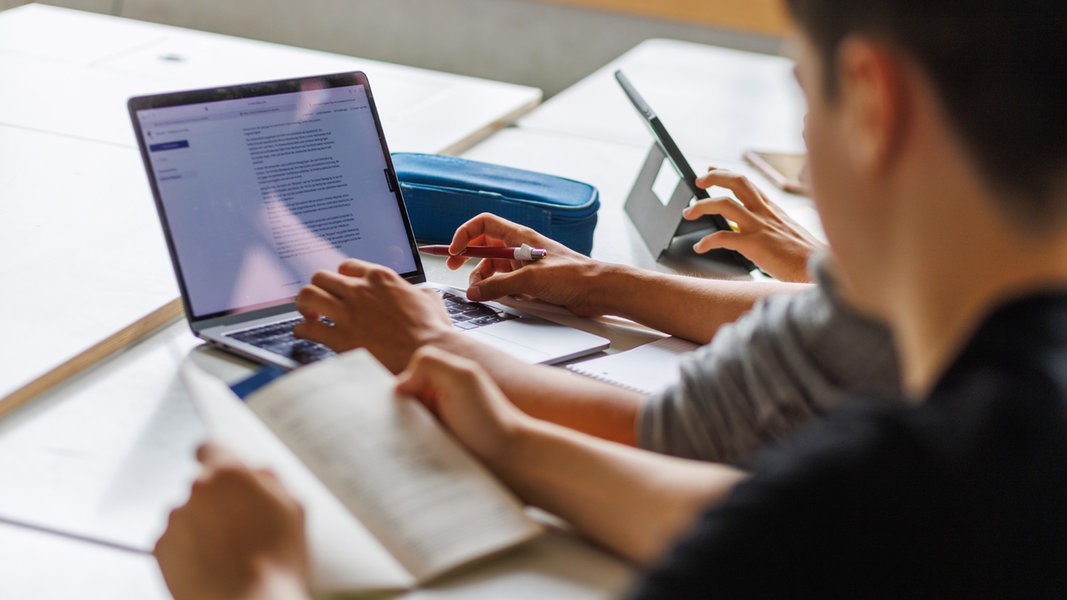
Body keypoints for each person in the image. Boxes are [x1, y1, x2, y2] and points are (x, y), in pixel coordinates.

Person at [158, 0, 1067, 594]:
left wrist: (254, 580)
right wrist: (514, 442)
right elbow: (753, 517)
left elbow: (801, 528)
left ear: (871, 102)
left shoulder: (915, 492)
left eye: (804, 96)